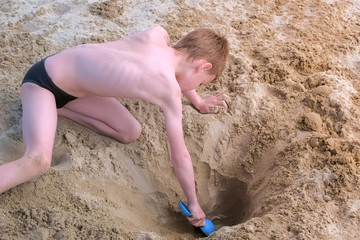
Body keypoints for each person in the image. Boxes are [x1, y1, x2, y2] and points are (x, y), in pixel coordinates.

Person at [0, 26, 229, 227]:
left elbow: (183, 72)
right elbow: (180, 158)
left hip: (76, 91)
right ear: (203, 66)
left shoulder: (158, 34)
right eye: (201, 83)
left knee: (130, 131)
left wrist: (198, 101)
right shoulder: (168, 90)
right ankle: (45, 107)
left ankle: (55, 110)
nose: (196, 87)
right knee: (37, 161)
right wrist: (194, 203)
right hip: (43, 83)